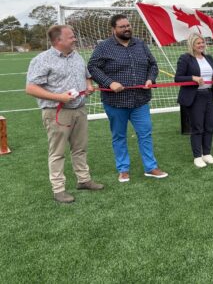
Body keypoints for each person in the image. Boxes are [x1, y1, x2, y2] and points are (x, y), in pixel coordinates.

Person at [26, 25, 104, 203]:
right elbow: (30, 88)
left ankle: (83, 180)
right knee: (57, 152)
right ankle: (58, 189)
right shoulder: (42, 60)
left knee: (80, 148)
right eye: (71, 37)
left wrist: (89, 85)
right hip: (56, 112)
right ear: (58, 41)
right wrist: (58, 97)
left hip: (79, 110)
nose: (75, 39)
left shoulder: (76, 56)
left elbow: (86, 75)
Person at [88, 14, 168, 182]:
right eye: (122, 26)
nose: (126, 28)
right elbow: (93, 67)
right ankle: (123, 169)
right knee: (119, 136)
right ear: (113, 29)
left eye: (128, 25)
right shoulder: (104, 47)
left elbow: (153, 65)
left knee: (145, 134)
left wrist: (150, 79)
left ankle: (151, 167)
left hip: (140, 100)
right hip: (115, 102)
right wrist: (109, 83)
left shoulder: (140, 44)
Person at [175, 34, 213, 168]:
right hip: (194, 96)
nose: (201, 45)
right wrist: (193, 78)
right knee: (197, 127)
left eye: (202, 42)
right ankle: (197, 156)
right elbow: (178, 78)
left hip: (208, 95)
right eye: (198, 43)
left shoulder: (209, 57)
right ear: (191, 45)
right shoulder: (185, 58)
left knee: (210, 125)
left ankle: (207, 153)